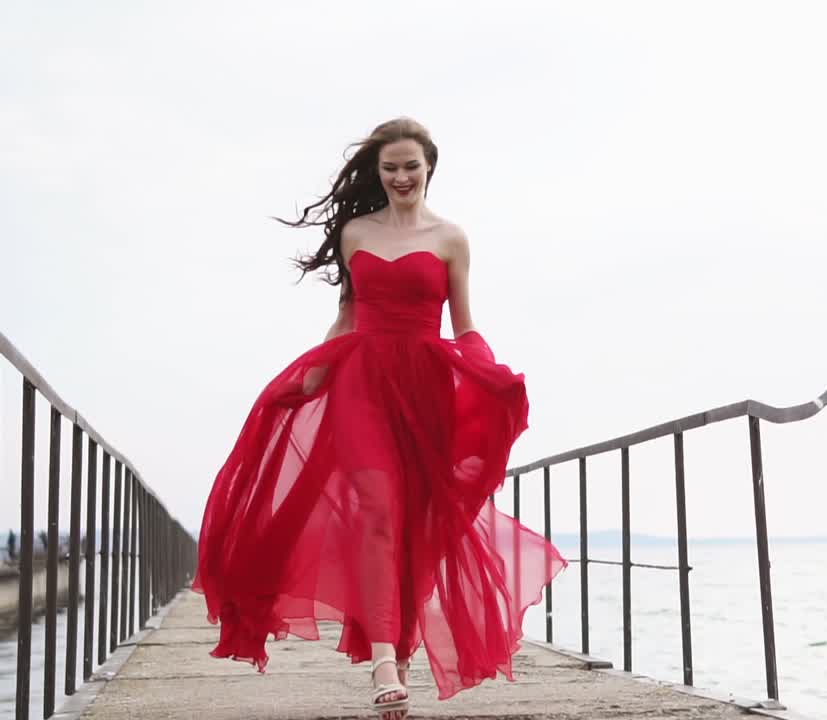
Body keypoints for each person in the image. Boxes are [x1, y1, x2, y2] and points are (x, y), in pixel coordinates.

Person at [192, 116, 567, 720]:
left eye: (410, 167)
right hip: (361, 383)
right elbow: (347, 315)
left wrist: (489, 372)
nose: (399, 177)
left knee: (418, 529)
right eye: (389, 167)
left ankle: (403, 633)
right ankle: (385, 662)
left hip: (426, 391)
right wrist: (308, 377)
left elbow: (464, 324)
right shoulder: (355, 232)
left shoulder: (452, 238)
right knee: (378, 514)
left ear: (429, 168)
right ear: (377, 171)